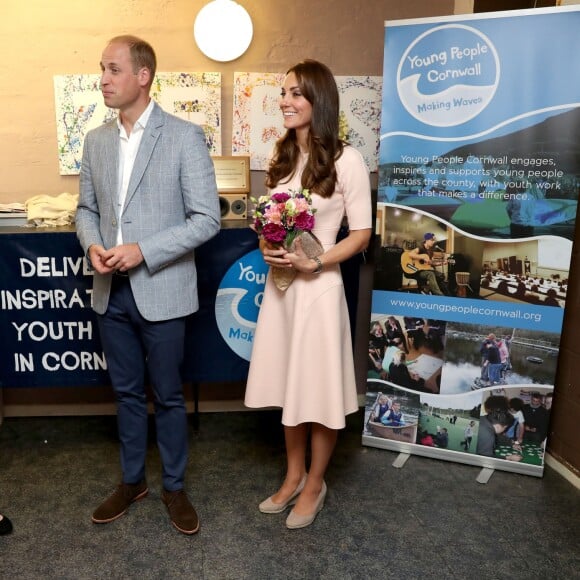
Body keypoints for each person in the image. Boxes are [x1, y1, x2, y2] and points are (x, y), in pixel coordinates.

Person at [75, 35, 220, 535]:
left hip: (162, 287)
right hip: (108, 290)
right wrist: (92, 244)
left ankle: (174, 487)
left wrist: (143, 250)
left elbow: (207, 220)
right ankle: (133, 481)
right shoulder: (95, 140)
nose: (103, 79)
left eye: (113, 69)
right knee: (127, 394)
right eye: (101, 69)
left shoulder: (183, 136)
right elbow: (86, 210)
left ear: (143, 76)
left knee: (169, 396)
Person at [244, 59, 372, 530]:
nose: (285, 101)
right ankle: (292, 474)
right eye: (284, 93)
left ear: (319, 100)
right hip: (281, 290)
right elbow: (267, 224)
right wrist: (267, 246)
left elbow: (360, 233)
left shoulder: (347, 160)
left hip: (318, 289)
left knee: (316, 388)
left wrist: (315, 262)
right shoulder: (281, 157)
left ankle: (316, 482)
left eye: (296, 93)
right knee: (287, 385)